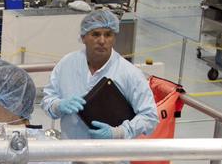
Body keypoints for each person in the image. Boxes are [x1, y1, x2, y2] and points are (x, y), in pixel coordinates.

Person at [41, 8, 158, 142]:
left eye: (108, 35)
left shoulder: (130, 73)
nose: (102, 41)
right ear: (83, 37)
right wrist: (58, 105)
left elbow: (149, 116)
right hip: (70, 149)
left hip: (111, 153)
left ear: (114, 38)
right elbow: (47, 99)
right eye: (95, 34)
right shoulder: (67, 64)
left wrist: (118, 132)